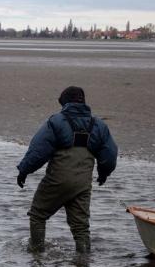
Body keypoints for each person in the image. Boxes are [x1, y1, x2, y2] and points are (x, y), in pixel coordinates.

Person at [16, 86, 118, 253]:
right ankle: (83, 263)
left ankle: (36, 254)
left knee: (37, 214)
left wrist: (24, 170)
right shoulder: (99, 125)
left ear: (65, 102)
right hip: (83, 183)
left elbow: (38, 150)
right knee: (81, 226)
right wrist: (104, 173)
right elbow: (110, 154)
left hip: (57, 179)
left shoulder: (56, 121)